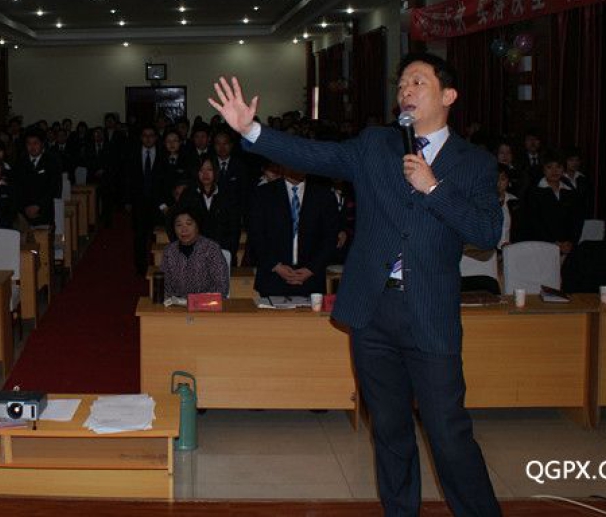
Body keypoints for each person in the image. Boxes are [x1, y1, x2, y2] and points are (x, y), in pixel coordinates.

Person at [209, 53, 502, 517]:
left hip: (430, 315)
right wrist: (252, 130)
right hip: (374, 311)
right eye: (402, 83)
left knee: (449, 433)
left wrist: (434, 188)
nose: (405, 90)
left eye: (418, 82)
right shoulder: (375, 145)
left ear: (448, 95)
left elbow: (487, 233)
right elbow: (314, 155)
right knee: (389, 429)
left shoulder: (475, 163)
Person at [248, 164, 339, 298]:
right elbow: (256, 236)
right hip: (273, 278)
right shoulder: (263, 194)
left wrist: (311, 269)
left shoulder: (324, 195)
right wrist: (276, 266)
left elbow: (330, 238)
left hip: (311, 280)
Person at [178, 156, 241, 259]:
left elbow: (234, 227)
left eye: (209, 169)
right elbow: (175, 221)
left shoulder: (228, 195)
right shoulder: (188, 195)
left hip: (221, 252)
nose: (205, 174)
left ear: (216, 171)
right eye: (201, 170)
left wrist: (229, 252)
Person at [519, 152, 583, 254]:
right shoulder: (533, 192)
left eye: (558, 167)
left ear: (563, 169)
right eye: (549, 167)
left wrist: (571, 242)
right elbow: (534, 222)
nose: (554, 171)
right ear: (543, 169)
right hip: (541, 246)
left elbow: (577, 221)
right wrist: (554, 243)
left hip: (568, 247)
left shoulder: (571, 192)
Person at [160, 206, 229, 298]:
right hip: (176, 304)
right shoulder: (169, 251)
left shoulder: (211, 249)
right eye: (179, 225)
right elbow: (165, 285)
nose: (184, 229)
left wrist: (196, 301)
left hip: (205, 304)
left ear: (197, 226)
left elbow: (221, 286)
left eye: (189, 224)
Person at [126, 125, 167, 277]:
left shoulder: (163, 154)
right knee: (140, 236)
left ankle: (161, 267)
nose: (148, 138)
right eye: (145, 135)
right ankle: (140, 268)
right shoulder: (133, 154)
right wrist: (128, 200)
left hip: (159, 203)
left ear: (156, 138)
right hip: (139, 202)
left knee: (158, 235)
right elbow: (128, 179)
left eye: (151, 135)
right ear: (141, 137)